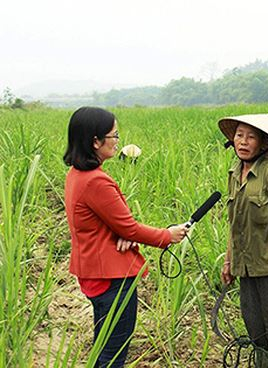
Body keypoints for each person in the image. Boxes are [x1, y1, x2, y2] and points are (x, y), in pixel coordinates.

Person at [63, 106, 187, 367]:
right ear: (95, 141)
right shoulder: (96, 181)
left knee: (103, 345)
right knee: (114, 354)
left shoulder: (76, 175)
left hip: (93, 271)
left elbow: (108, 224)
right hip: (111, 278)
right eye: (114, 135)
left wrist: (121, 233)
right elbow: (128, 227)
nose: (117, 141)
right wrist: (167, 235)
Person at [219, 114, 268, 368]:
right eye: (239, 135)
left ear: (262, 144)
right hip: (246, 265)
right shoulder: (235, 173)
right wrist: (229, 261)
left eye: (251, 137)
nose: (243, 141)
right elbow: (234, 223)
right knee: (255, 327)